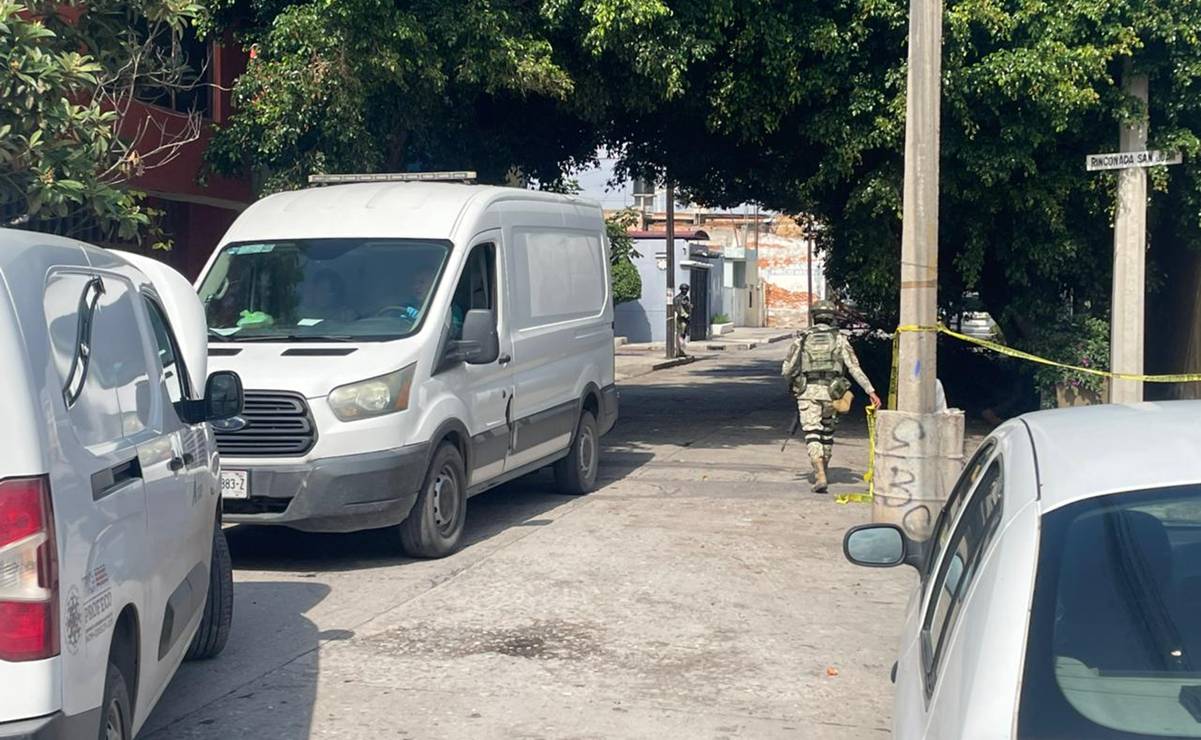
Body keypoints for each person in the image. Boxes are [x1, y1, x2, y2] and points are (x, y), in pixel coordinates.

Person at [781, 300, 881, 493]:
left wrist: (792, 383)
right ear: (832, 318)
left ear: (814, 316)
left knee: (812, 432)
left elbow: (786, 369)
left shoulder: (802, 339)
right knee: (827, 432)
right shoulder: (840, 339)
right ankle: (824, 468)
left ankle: (819, 475)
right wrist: (871, 391)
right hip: (833, 392)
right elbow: (854, 368)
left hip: (807, 392)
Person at [673, 284, 693, 357]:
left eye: (686, 289)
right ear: (681, 289)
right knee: (680, 334)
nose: (685, 291)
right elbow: (678, 309)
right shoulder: (677, 298)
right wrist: (686, 316)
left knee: (683, 334)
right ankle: (678, 350)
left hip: (685, 318)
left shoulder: (686, 298)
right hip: (680, 319)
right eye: (683, 289)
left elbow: (687, 307)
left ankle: (680, 351)